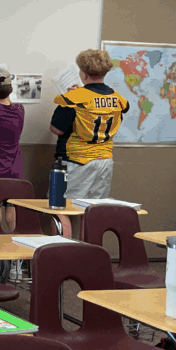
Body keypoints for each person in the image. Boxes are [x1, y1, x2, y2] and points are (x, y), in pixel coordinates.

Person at [50, 49, 129, 237]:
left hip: (75, 160)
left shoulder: (74, 98)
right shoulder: (117, 98)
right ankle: (89, 252)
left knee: (60, 210)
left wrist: (73, 97)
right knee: (92, 211)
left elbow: (56, 129)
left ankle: (60, 252)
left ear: (84, 74)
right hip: (104, 161)